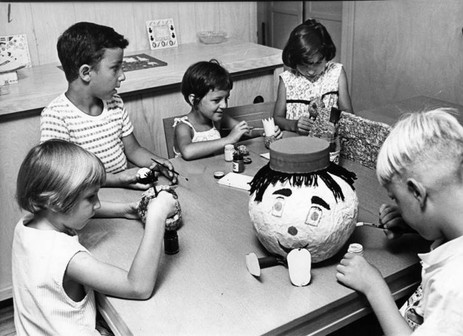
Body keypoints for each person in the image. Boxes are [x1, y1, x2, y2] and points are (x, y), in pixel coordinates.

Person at [336, 109, 463, 335]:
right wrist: (415, 224)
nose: (398, 208)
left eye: (397, 199)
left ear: (416, 192)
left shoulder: (456, 289)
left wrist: (374, 287)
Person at [12, 139, 178, 335]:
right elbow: (138, 287)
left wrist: (127, 209)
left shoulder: (27, 223)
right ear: (55, 203)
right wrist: (156, 216)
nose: (97, 205)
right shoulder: (69, 257)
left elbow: (71, 207)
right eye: (91, 197)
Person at [40, 21, 177, 189]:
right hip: (87, 200)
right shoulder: (56, 116)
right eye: (115, 68)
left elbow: (133, 150)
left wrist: (158, 162)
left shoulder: (114, 102)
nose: (122, 76)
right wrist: (116, 179)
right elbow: (63, 176)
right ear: (86, 73)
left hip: (124, 188)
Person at [173, 59, 281, 160]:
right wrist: (229, 139)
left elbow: (245, 131)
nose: (224, 105)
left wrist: (266, 132)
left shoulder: (218, 118)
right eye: (216, 100)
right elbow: (187, 151)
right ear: (193, 99)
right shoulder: (184, 127)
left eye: (226, 98)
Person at [273, 19, 354, 136]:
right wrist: (294, 125)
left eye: (317, 63)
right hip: (296, 143)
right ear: (294, 60)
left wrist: (334, 123)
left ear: (326, 56)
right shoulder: (287, 79)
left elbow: (348, 113)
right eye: (304, 65)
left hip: (328, 142)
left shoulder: (337, 72)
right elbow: (277, 118)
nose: (311, 71)